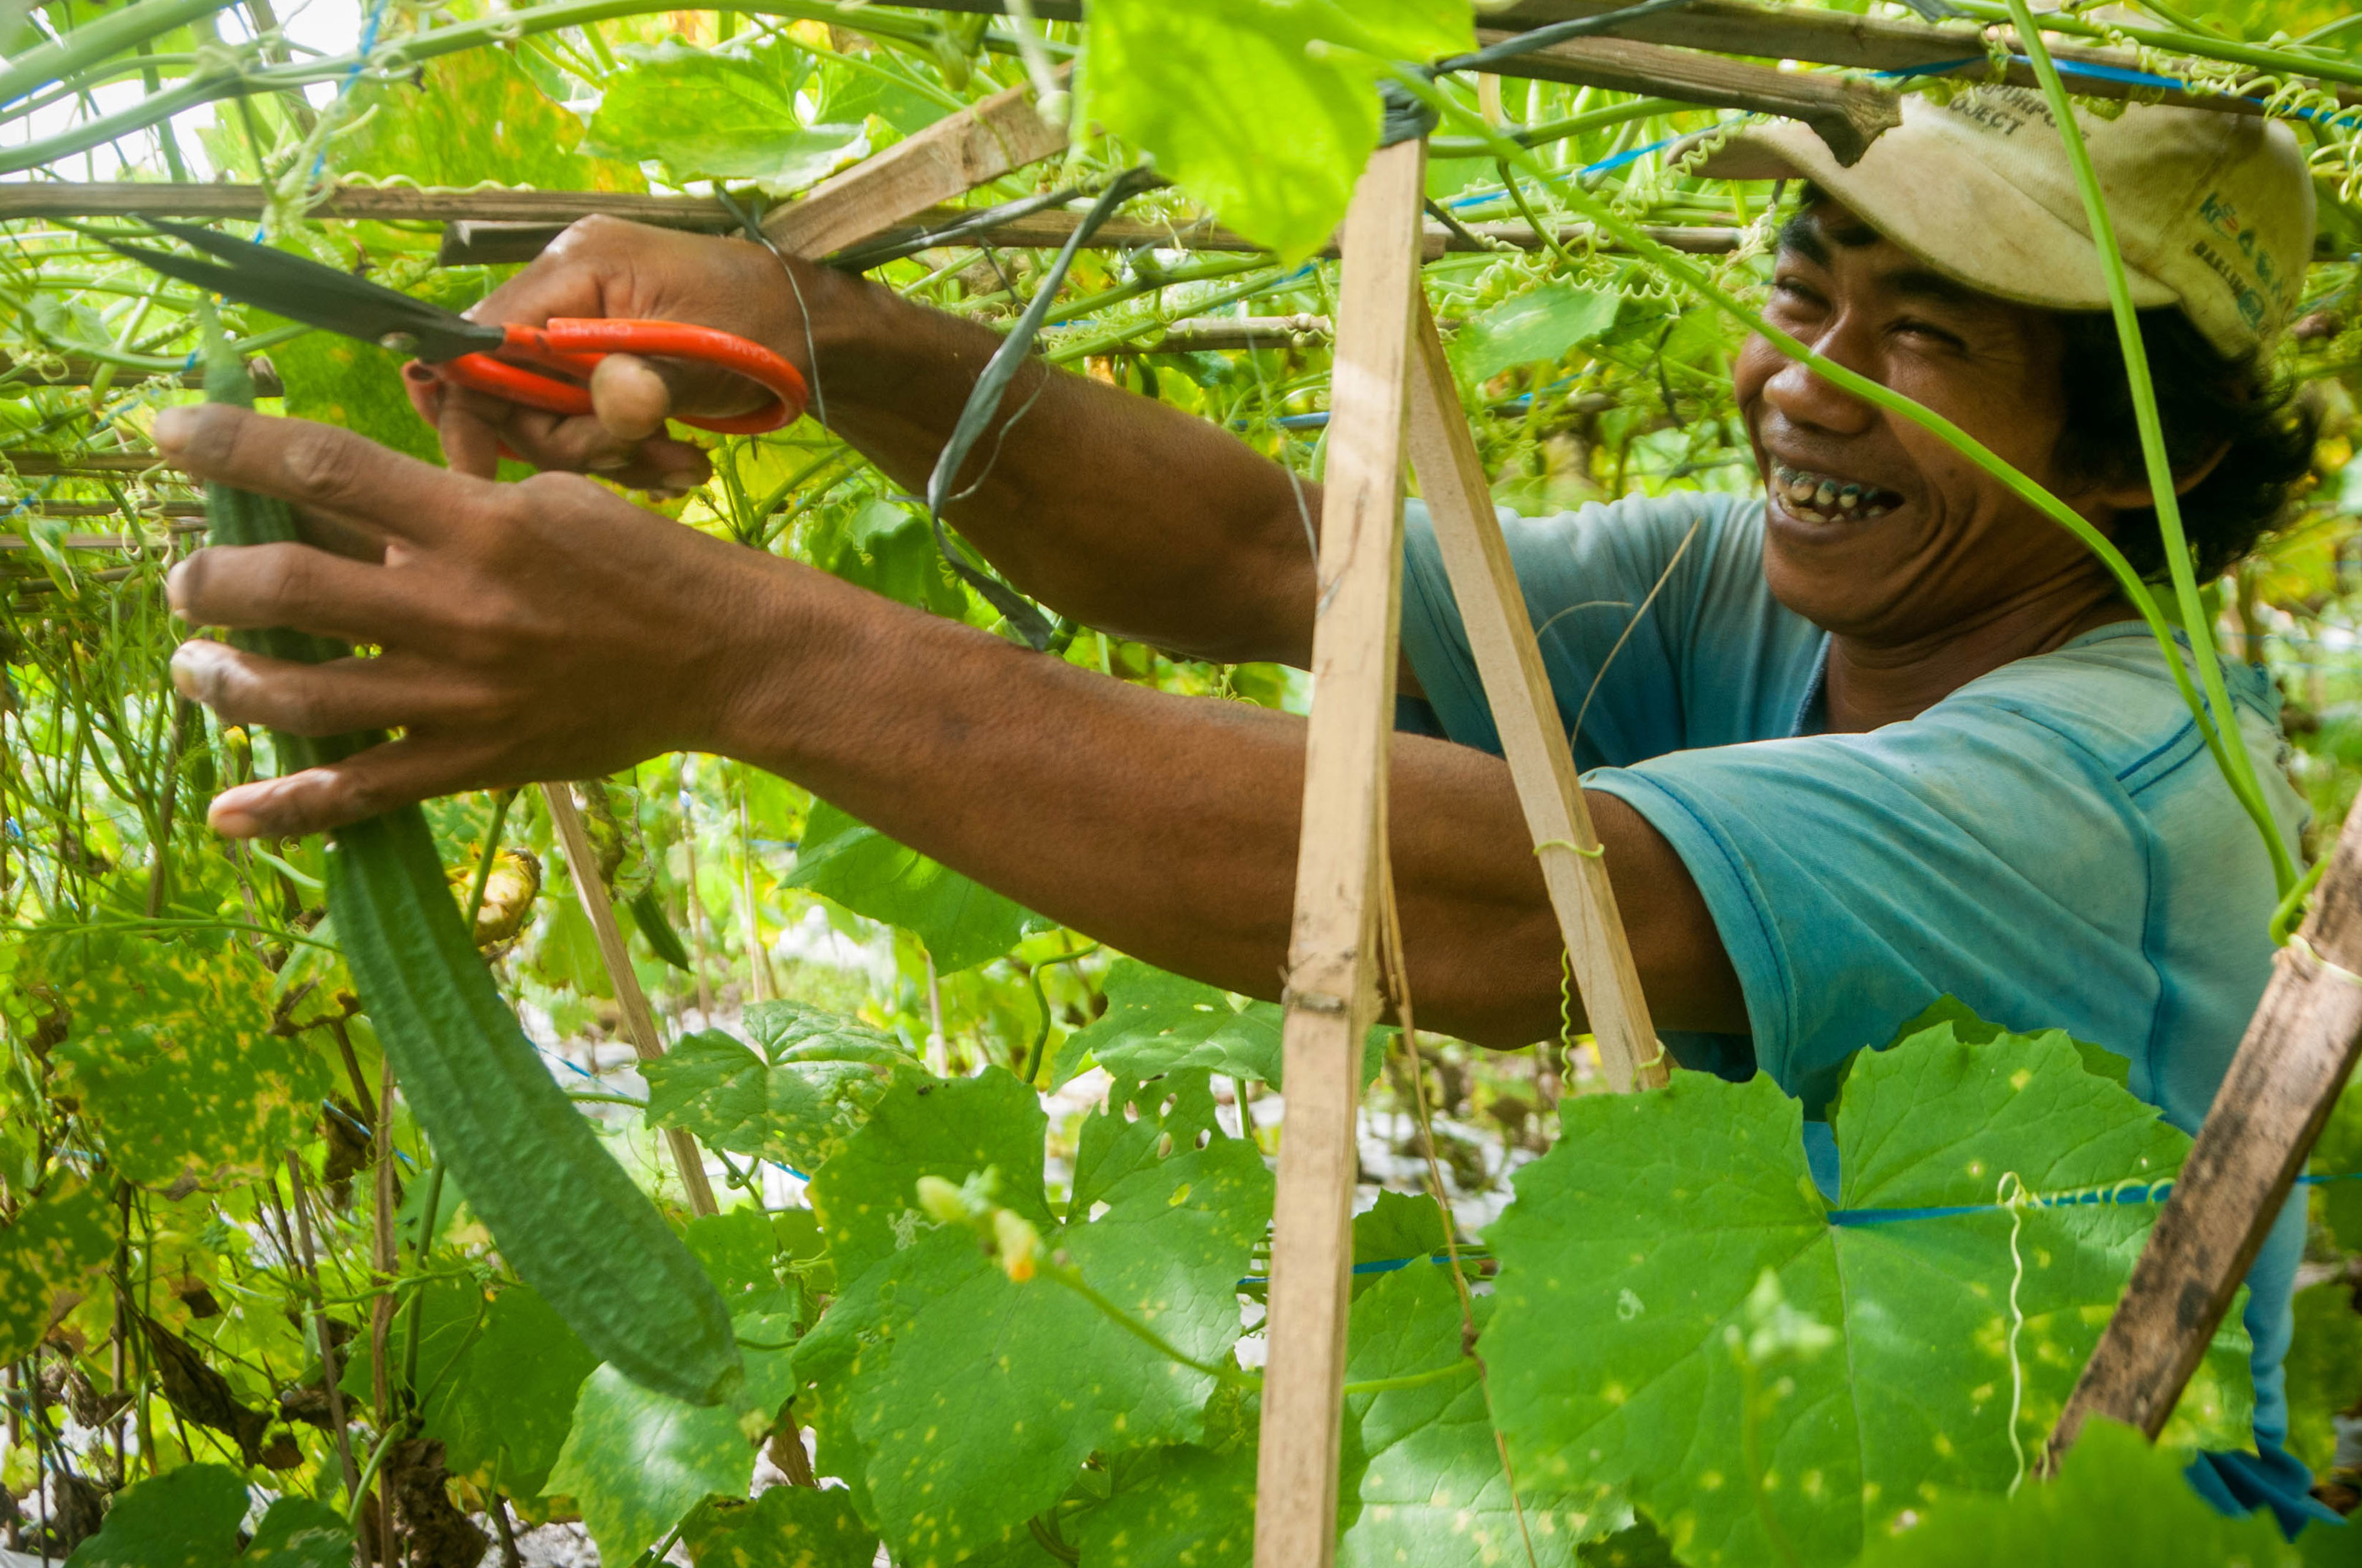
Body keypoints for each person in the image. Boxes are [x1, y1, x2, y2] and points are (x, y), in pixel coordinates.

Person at [153, 88, 2327, 1528]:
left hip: (2086, 1526)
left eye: (1922, 341)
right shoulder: (1758, 589)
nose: (1800, 382)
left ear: (2153, 459)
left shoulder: (2109, 782)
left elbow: (1505, 912)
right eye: (1802, 291)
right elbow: (1263, 556)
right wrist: (823, 331)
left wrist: (742, 656)